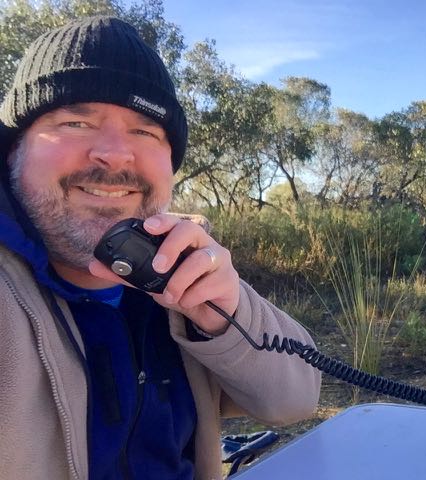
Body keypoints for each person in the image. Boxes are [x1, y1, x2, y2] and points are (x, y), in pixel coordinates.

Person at [0, 16, 321, 480]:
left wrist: (224, 315)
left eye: (145, 131)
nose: (115, 153)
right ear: (14, 150)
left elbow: (294, 401)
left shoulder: (179, 263)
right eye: (76, 122)